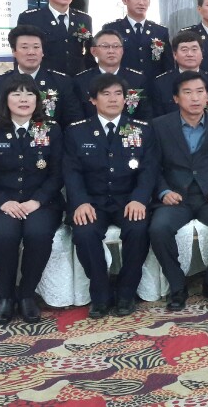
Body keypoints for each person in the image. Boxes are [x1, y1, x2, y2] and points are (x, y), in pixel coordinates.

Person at [0, 25, 82, 255]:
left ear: (43, 51)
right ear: (14, 52)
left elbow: (74, 121)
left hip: (50, 146)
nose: (31, 52)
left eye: (36, 47)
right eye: (24, 47)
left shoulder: (61, 82)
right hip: (9, 142)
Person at [0, 74, 63, 325]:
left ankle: (26, 295)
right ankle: (6, 296)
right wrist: (3, 201)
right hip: (1, 203)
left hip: (41, 203)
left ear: (37, 99)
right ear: (5, 99)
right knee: (4, 235)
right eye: (17, 93)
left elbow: (58, 173)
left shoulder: (51, 129)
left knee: (38, 234)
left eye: (29, 93)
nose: (24, 99)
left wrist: (37, 201)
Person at [64, 74, 155, 317]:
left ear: (126, 99)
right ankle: (100, 292)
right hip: (92, 201)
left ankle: (126, 291)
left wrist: (139, 198)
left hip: (129, 200)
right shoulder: (77, 132)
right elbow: (71, 172)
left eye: (118, 94)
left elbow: (149, 170)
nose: (113, 99)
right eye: (105, 94)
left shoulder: (142, 130)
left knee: (138, 230)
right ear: (93, 100)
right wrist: (80, 202)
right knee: (84, 233)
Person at [148, 71, 208, 310]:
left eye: (200, 92)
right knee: (158, 229)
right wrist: (163, 191)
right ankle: (177, 286)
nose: (195, 98)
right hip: (175, 198)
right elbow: (151, 166)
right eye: (187, 92)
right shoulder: (159, 126)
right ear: (176, 98)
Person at [17, 0, 93, 76]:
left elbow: (89, 53)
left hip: (76, 80)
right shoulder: (30, 18)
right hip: (44, 80)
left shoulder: (83, 19)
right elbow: (21, 53)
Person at [102, 0, 172, 86]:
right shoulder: (112, 29)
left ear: (149, 2)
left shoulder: (160, 31)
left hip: (153, 87)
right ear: (125, 0)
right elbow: (105, 60)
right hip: (122, 86)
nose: (141, 2)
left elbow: (168, 65)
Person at [74, 30, 151, 121]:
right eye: (105, 46)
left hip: (129, 129)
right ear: (93, 51)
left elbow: (145, 115)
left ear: (122, 51)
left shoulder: (138, 80)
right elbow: (77, 117)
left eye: (116, 46)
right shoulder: (81, 80)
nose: (111, 51)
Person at [151, 31, 208, 118]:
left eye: (194, 49)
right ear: (175, 55)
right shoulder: (161, 83)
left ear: (202, 53)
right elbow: (157, 119)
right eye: (184, 50)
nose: (190, 54)